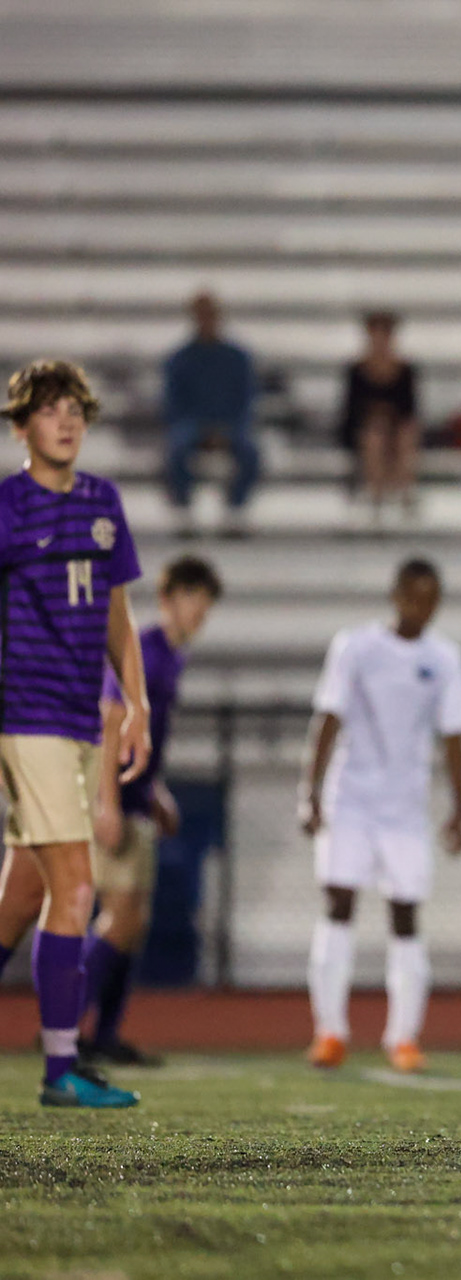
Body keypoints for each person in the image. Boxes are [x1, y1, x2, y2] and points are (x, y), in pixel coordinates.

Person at [0, 359, 150, 1109]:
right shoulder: (6, 507)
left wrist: (137, 702)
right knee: (78, 885)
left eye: (76, 411)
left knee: (22, 898)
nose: (67, 421)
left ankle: (62, 1059)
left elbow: (118, 613)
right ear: (22, 422)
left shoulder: (102, 501)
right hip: (25, 717)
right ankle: (61, 1067)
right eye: (52, 409)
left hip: (78, 717)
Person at [299, 558, 461, 1074]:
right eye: (416, 596)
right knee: (338, 905)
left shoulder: (445, 659)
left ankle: (403, 1038)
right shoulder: (355, 647)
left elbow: (455, 738)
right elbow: (327, 719)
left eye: (433, 599)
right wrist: (308, 794)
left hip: (405, 808)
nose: (425, 608)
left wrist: (460, 811)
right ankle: (329, 1031)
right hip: (349, 800)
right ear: (396, 595)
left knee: (405, 915)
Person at [82, 555, 223, 1068]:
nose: (201, 609)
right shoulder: (145, 650)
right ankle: (64, 1021)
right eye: (193, 597)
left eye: (206, 599)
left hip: (137, 796)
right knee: (118, 919)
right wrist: (107, 802)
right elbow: (111, 719)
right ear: (168, 599)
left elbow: (143, 735)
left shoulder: (169, 655)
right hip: (116, 796)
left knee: (132, 923)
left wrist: (155, 790)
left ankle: (103, 1034)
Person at [163, 291, 259, 539]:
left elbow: (246, 401)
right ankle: (184, 510)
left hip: (230, 425)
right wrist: (200, 430)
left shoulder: (237, 358)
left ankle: (235, 509)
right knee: (177, 448)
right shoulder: (180, 359)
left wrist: (225, 430)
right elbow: (174, 405)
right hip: (192, 425)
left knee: (250, 451)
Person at [341, 311, 421, 528]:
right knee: (376, 434)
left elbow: (410, 408)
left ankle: (405, 492)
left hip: (397, 428)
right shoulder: (357, 370)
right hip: (367, 429)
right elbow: (350, 409)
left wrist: (389, 415)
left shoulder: (405, 370)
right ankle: (377, 496)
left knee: (405, 434)